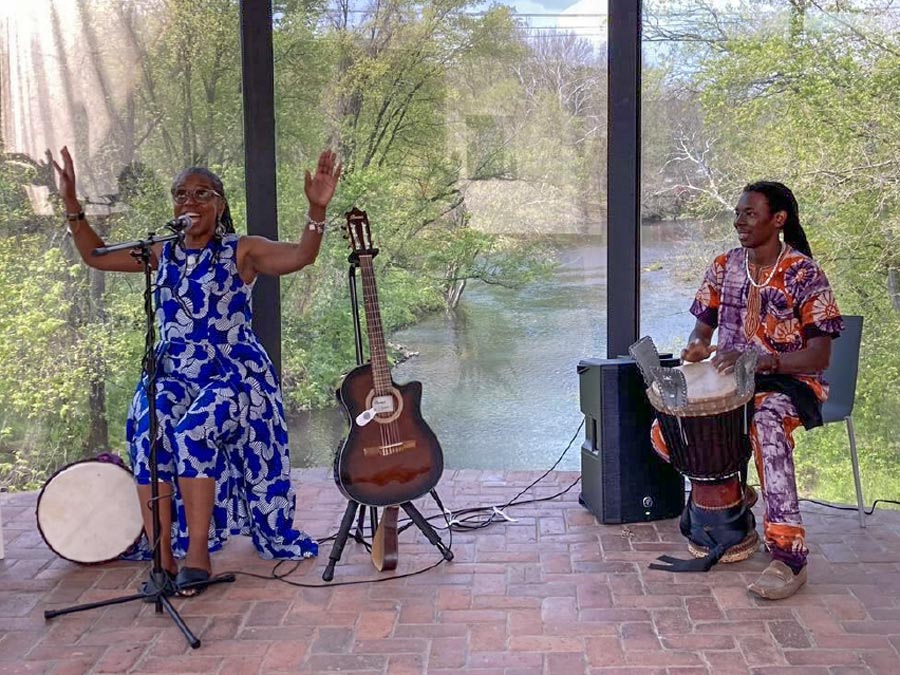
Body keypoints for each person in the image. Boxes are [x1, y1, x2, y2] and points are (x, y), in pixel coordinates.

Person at [51, 146, 341, 596]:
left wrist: (316, 209)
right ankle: (162, 556)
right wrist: (72, 203)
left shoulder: (242, 250)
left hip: (232, 373)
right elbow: (96, 255)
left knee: (192, 433)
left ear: (220, 205)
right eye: (181, 194)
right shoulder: (160, 251)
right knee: (147, 430)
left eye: (202, 194)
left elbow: (301, 255)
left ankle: (198, 554)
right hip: (172, 371)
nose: (189, 201)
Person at [652, 181, 843, 600]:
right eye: (737, 213)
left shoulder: (804, 274)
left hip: (791, 381)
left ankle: (789, 556)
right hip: (732, 380)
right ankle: (734, 493)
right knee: (665, 431)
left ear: (779, 219)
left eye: (750, 213)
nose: (739, 221)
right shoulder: (724, 266)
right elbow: (702, 330)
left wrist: (764, 361)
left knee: (765, 424)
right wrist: (697, 346)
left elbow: (820, 356)